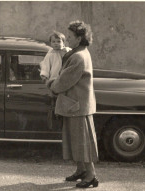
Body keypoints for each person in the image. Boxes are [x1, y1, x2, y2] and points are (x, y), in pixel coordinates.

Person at [47, 20, 98, 188]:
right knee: (76, 141)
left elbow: (63, 82)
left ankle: (90, 176)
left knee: (82, 143)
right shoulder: (81, 52)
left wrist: (51, 85)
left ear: (79, 38)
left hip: (76, 106)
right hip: (75, 104)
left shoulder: (78, 57)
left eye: (70, 36)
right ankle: (81, 170)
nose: (67, 39)